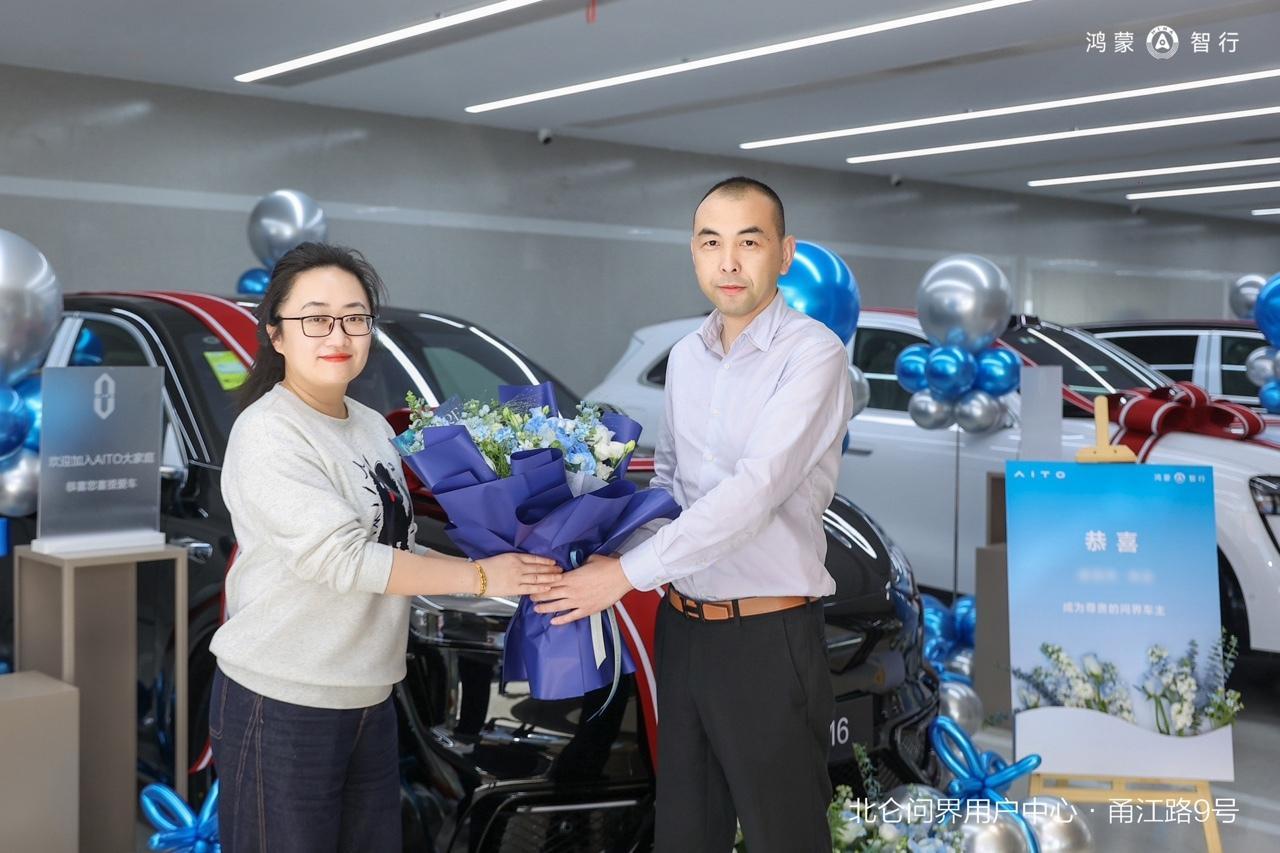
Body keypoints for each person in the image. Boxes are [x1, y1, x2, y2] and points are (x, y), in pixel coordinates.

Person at [532, 178, 853, 852]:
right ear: (694, 252)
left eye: (749, 242)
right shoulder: (685, 356)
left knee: (785, 837)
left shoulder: (814, 354)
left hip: (766, 639)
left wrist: (624, 575)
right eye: (711, 243)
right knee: (684, 832)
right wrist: (598, 550)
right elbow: (673, 487)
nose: (728, 262)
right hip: (682, 631)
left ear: (785, 253)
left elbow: (755, 491)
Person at [208, 242, 560, 852]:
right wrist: (482, 579)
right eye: (316, 319)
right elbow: (344, 560)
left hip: (369, 698)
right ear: (277, 334)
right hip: (283, 701)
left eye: (355, 317)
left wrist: (502, 571)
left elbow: (399, 545)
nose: (338, 334)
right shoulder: (269, 431)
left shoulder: (369, 425)